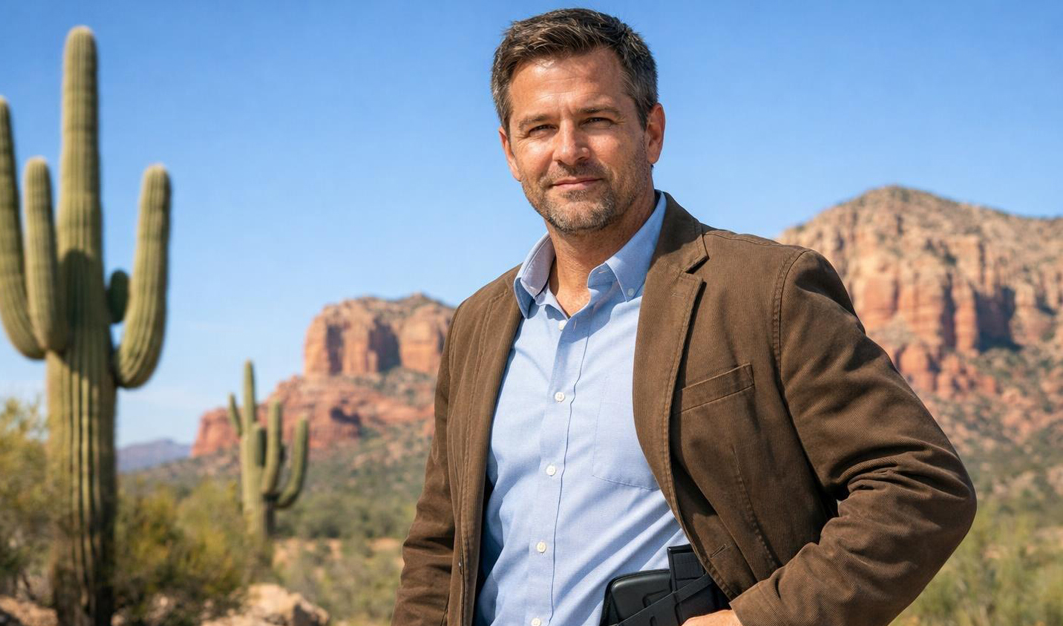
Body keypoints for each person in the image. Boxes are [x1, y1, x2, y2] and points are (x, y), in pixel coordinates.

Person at [391, 8, 976, 626]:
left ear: (652, 131)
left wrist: (756, 622)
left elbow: (919, 485)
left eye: (597, 119)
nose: (568, 150)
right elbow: (441, 545)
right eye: (539, 128)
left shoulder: (765, 291)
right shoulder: (480, 324)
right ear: (510, 151)